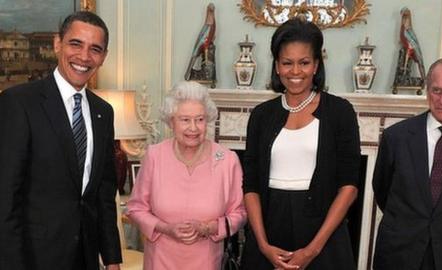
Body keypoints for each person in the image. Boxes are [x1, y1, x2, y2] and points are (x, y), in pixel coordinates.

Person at [0, 11, 121, 270]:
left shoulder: (104, 112)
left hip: (86, 258)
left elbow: (103, 194)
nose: (84, 57)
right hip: (34, 259)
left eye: (95, 49)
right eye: (75, 44)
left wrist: (112, 259)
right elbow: (5, 198)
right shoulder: (19, 103)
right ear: (58, 44)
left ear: (103, 57)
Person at [241, 18, 361, 270]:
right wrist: (262, 245)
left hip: (323, 236)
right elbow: (250, 185)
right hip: (270, 230)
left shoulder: (340, 112)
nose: (295, 71)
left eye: (304, 63)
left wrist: (312, 250)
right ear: (276, 66)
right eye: (287, 63)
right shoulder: (261, 115)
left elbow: (349, 186)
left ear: (316, 65)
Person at [372, 57, 442, 270]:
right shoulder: (396, 137)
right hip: (398, 252)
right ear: (427, 90)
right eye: (436, 90)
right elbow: (382, 189)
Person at [127, 81, 247, 269]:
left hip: (206, 262)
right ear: (171, 122)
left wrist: (208, 228)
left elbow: (240, 213)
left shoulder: (227, 160)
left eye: (199, 119)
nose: (193, 128)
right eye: (185, 120)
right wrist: (166, 228)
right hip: (160, 261)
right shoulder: (155, 155)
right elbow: (135, 209)